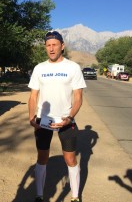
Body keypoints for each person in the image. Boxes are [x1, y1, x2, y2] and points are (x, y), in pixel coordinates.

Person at [28, 31, 86, 202]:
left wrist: (70, 117)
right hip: (43, 119)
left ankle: (75, 197)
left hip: (65, 119)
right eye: (48, 45)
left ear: (62, 46)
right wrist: (32, 117)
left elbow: (78, 97)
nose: (51, 49)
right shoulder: (39, 68)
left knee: (70, 158)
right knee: (42, 157)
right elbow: (33, 96)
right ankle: (39, 195)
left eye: (54, 45)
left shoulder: (73, 67)